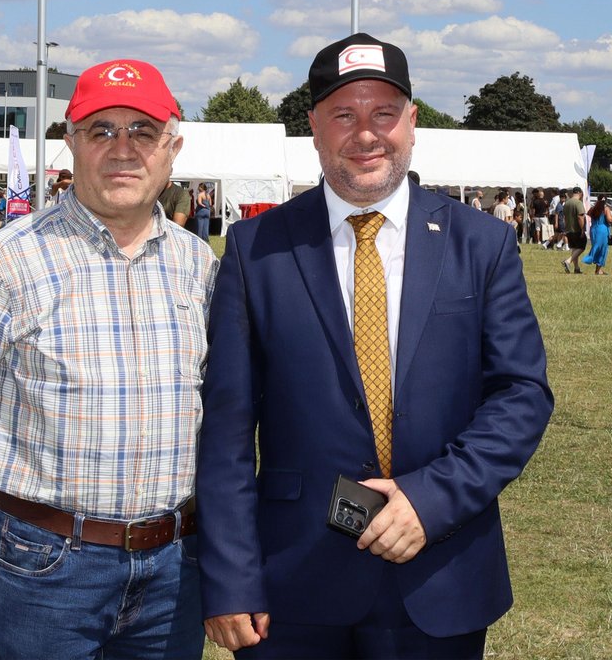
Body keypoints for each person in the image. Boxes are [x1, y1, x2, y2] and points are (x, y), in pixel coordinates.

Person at [197, 32, 553, 659]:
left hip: (439, 571)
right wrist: (228, 576)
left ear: (412, 122)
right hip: (292, 582)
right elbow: (226, 428)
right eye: (344, 114)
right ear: (314, 127)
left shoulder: (481, 244)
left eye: (383, 113)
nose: (366, 133)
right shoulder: (257, 249)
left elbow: (520, 394)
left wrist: (431, 498)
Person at [0, 58, 219, 660]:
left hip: (176, 568)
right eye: (101, 130)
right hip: (46, 567)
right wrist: (16, 500)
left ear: (172, 148)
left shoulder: (200, 266)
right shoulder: (1, 264)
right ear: (70, 144)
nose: (123, 149)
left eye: (143, 131)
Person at [583, 196, 612, 276]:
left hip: (593, 230)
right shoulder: (606, 209)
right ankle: (596, 267)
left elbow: (588, 214)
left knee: (596, 246)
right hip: (602, 230)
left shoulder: (593, 208)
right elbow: (609, 220)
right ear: (605, 201)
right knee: (603, 249)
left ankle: (597, 268)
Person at [563, 186, 587, 274]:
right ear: (580, 193)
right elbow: (580, 217)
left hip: (569, 229)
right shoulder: (578, 203)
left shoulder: (567, 203)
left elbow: (564, 217)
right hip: (576, 229)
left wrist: (566, 228)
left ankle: (576, 268)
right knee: (581, 247)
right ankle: (568, 261)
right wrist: (582, 229)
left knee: (574, 248)